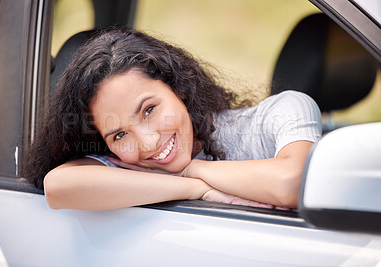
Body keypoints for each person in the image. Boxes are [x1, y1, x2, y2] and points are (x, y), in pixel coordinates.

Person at [22, 28, 322, 210]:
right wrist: (196, 188)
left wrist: (191, 169)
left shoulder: (279, 113)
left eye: (149, 110)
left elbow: (292, 184)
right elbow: (59, 186)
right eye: (119, 135)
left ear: (178, 87)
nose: (148, 142)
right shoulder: (123, 163)